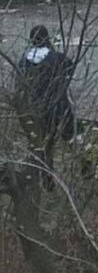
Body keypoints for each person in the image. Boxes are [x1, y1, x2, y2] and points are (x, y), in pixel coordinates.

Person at [14, 25, 80, 178]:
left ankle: (47, 180)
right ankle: (87, 170)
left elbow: (20, 85)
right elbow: (69, 68)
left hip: (37, 109)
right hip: (60, 106)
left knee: (44, 145)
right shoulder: (57, 58)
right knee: (74, 137)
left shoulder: (24, 62)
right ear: (47, 39)